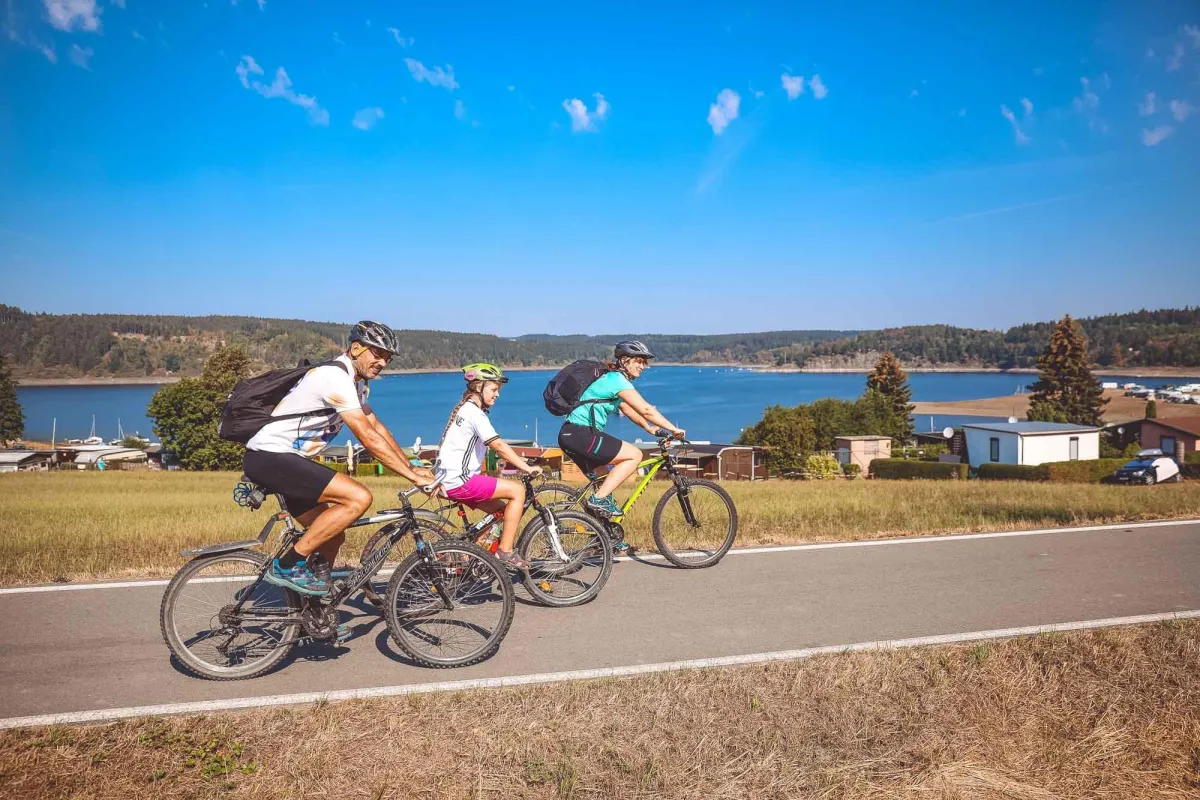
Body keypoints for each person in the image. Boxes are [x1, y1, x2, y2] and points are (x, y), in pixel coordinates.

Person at [244, 321, 434, 596]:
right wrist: (412, 477)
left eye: (387, 358)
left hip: (288, 461)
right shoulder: (334, 378)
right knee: (359, 498)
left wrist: (411, 465)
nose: (382, 362)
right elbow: (366, 437)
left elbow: (377, 426)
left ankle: (314, 610)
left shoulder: (355, 385)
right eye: (377, 354)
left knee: (333, 535)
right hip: (271, 456)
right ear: (355, 348)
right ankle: (286, 566)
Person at [557, 340, 684, 548]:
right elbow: (646, 409)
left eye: (645, 362)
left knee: (603, 480)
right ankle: (597, 501)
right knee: (634, 455)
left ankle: (605, 537)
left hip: (571, 435)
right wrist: (673, 428)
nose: (644, 366)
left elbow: (628, 409)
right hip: (581, 434)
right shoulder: (616, 380)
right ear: (625, 360)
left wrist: (650, 429)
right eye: (640, 361)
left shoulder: (611, 379)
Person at [434, 364, 542, 571]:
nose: (497, 394)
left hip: (450, 480)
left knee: (502, 511)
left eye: (498, 390)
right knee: (518, 491)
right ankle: (506, 552)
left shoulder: (465, 410)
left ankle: (474, 554)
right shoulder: (474, 414)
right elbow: (499, 445)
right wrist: (526, 467)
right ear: (478, 388)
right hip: (461, 481)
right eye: (493, 389)